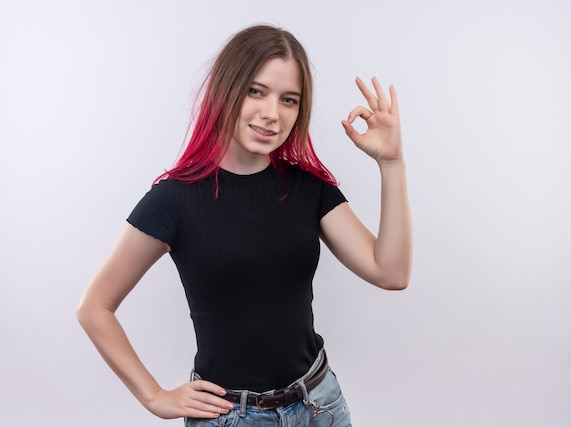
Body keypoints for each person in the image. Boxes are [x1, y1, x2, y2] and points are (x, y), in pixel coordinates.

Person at [77, 24, 411, 427]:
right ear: (226, 90)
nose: (272, 113)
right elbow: (94, 307)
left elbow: (391, 272)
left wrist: (391, 164)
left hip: (319, 405)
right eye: (256, 91)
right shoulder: (174, 199)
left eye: (289, 100)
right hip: (231, 416)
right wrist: (154, 396)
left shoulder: (308, 188)